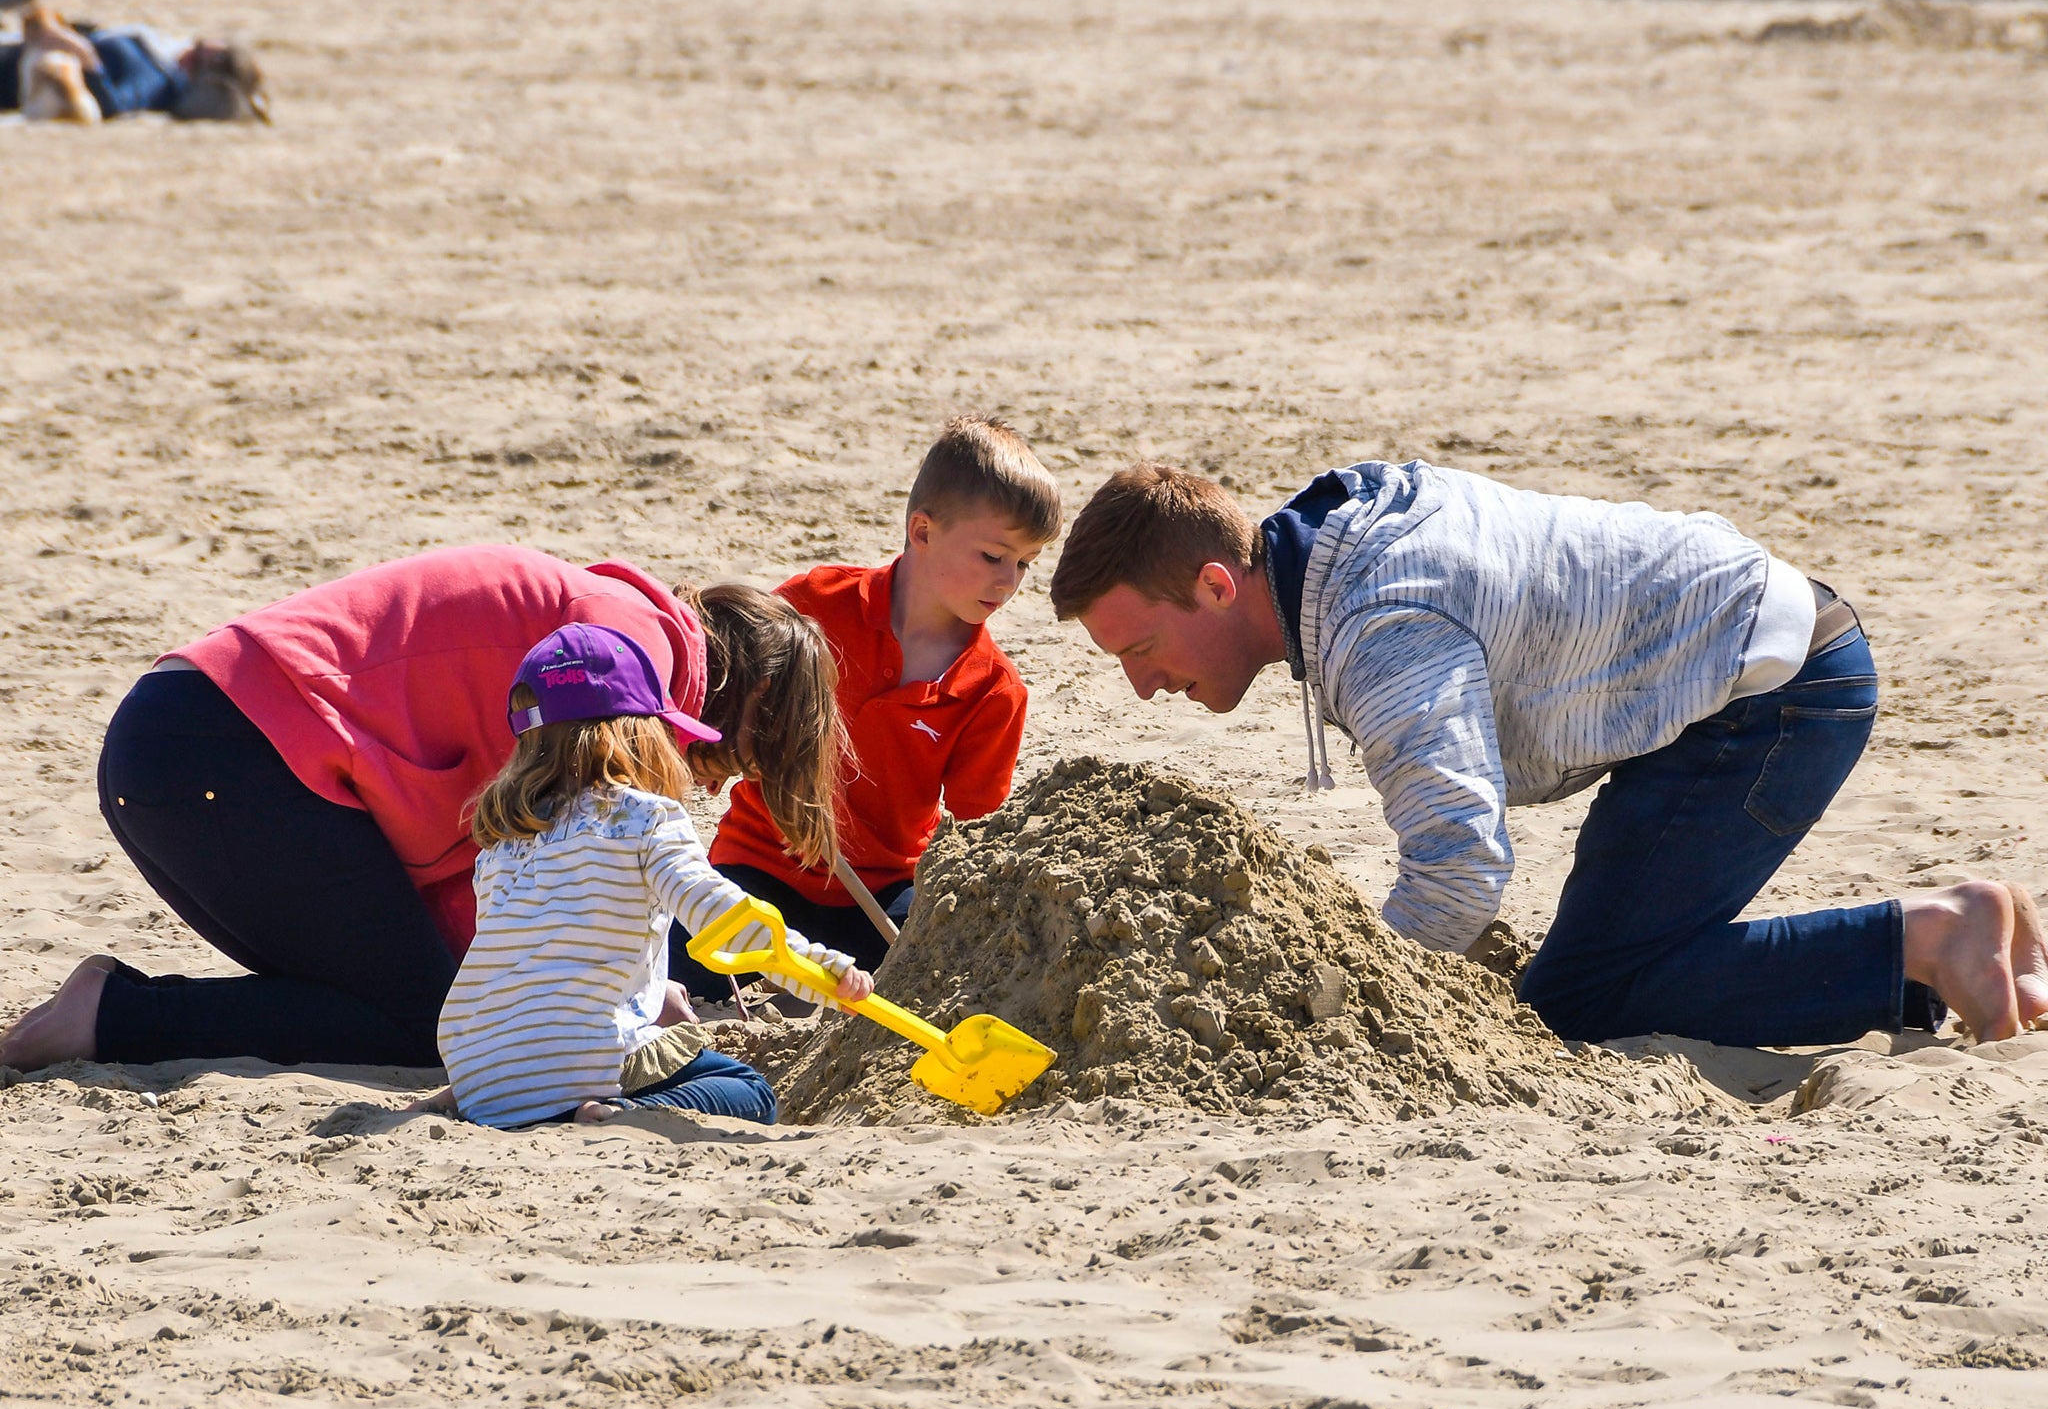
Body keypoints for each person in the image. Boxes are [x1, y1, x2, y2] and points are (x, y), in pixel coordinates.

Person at [1048, 458, 2048, 1049]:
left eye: (1141, 648)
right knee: (1594, 973)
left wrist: (1342, 1012)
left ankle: (1930, 939)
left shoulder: (1374, 626)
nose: (1141, 685)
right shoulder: (1327, 534)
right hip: (1725, 674)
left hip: (1768, 696)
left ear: (1218, 587)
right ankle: (1966, 944)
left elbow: (1460, 871)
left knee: (1585, 1002)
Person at [0, 545, 843, 1072]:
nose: (727, 781)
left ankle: (112, 1013)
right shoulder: (628, 649)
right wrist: (636, 985)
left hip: (183, 748)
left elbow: (501, 887)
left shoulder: (616, 630)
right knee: (424, 1029)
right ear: (757, 698)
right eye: (753, 758)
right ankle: (111, 1016)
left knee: (417, 1003)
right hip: (225, 753)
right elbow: (607, 860)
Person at [429, 623, 870, 1129]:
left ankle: (468, 1099)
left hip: (482, 1077)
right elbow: (718, 911)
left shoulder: (502, 842)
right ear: (637, 731)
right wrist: (823, 972)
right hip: (583, 1067)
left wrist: (655, 991)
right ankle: (615, 1113)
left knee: (558, 1052)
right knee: (750, 1092)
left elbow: (533, 956)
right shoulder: (643, 817)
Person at [677, 415, 1060, 996]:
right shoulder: (813, 604)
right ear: (923, 531)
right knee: (676, 972)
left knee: (936, 982)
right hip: (758, 863)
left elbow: (973, 838)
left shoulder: (995, 690)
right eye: (992, 555)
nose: (1009, 581)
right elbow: (724, 704)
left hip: (882, 892)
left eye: (1025, 563)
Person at [9, 6, 268, 123]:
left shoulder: (158, 79)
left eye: (197, 63)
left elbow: (112, 105)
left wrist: (84, 53)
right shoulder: (162, 50)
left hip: (29, 73)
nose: (189, 52)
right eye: (198, 47)